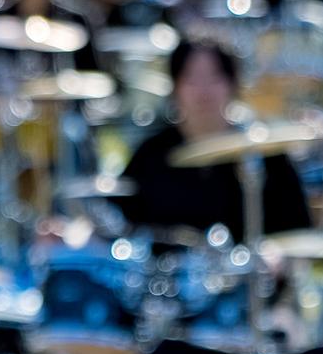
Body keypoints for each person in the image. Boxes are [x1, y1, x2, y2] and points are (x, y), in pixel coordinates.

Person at [121, 36, 311, 241]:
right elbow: (120, 221)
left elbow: (298, 231)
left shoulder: (264, 154)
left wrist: (277, 253)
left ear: (232, 84)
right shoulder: (152, 155)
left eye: (214, 77)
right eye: (191, 78)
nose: (204, 91)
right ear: (175, 87)